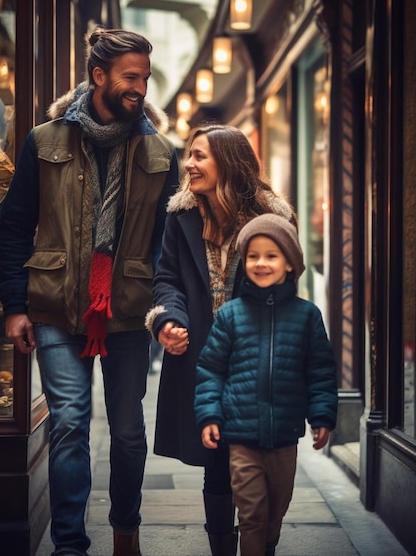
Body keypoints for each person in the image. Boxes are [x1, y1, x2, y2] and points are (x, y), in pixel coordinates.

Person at [0, 26, 179, 556]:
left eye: (145, 78)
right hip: (55, 303)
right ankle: (70, 545)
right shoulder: (44, 140)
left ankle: (126, 529)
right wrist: (14, 306)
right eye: (130, 77)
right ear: (97, 76)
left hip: (128, 308)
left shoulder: (160, 150)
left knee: (125, 431)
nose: (140, 88)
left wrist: (168, 308)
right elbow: (15, 227)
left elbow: (168, 242)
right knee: (71, 421)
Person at [145, 124, 296, 556]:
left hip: (258, 361)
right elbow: (167, 278)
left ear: (228, 163)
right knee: (216, 461)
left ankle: (263, 543)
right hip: (204, 361)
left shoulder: (273, 220)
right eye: (188, 155)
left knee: (261, 465)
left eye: (198, 156)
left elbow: (285, 290)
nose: (188, 164)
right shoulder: (181, 217)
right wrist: (169, 322)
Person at [194, 213, 338, 556]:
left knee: (277, 508)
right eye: (253, 256)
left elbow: (320, 371)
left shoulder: (307, 316)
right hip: (240, 436)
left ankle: (268, 543)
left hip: (285, 437)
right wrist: (210, 415)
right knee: (252, 513)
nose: (260, 263)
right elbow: (210, 369)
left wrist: (322, 417)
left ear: (290, 263)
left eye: (271, 256)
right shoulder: (230, 315)